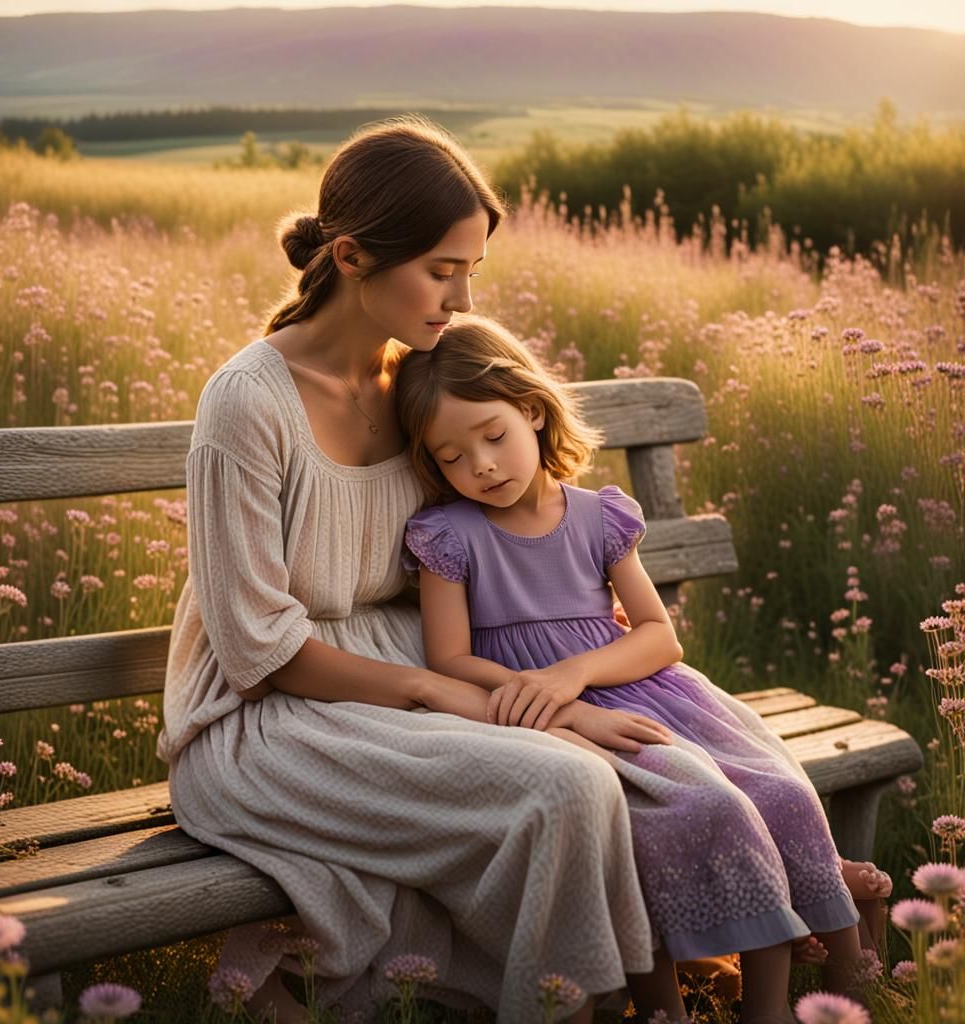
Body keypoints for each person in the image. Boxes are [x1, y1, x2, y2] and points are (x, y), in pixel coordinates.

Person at [156, 118, 675, 1024]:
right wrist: (442, 696)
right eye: (443, 269)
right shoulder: (246, 405)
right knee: (563, 784)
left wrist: (554, 685)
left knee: (598, 762)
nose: (465, 298)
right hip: (269, 716)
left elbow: (519, 519)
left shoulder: (422, 387)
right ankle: (561, 1007)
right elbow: (257, 649)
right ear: (352, 256)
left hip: (413, 672)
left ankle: (607, 997)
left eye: (471, 269)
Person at [395, 314, 885, 1023]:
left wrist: (574, 672)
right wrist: (546, 690)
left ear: (531, 410)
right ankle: (664, 1008)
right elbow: (449, 658)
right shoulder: (449, 536)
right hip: (543, 717)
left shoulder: (598, 517)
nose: (482, 467)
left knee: (777, 792)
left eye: (494, 438)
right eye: (451, 457)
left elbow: (659, 636)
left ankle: (789, 998)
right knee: (680, 816)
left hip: (650, 692)